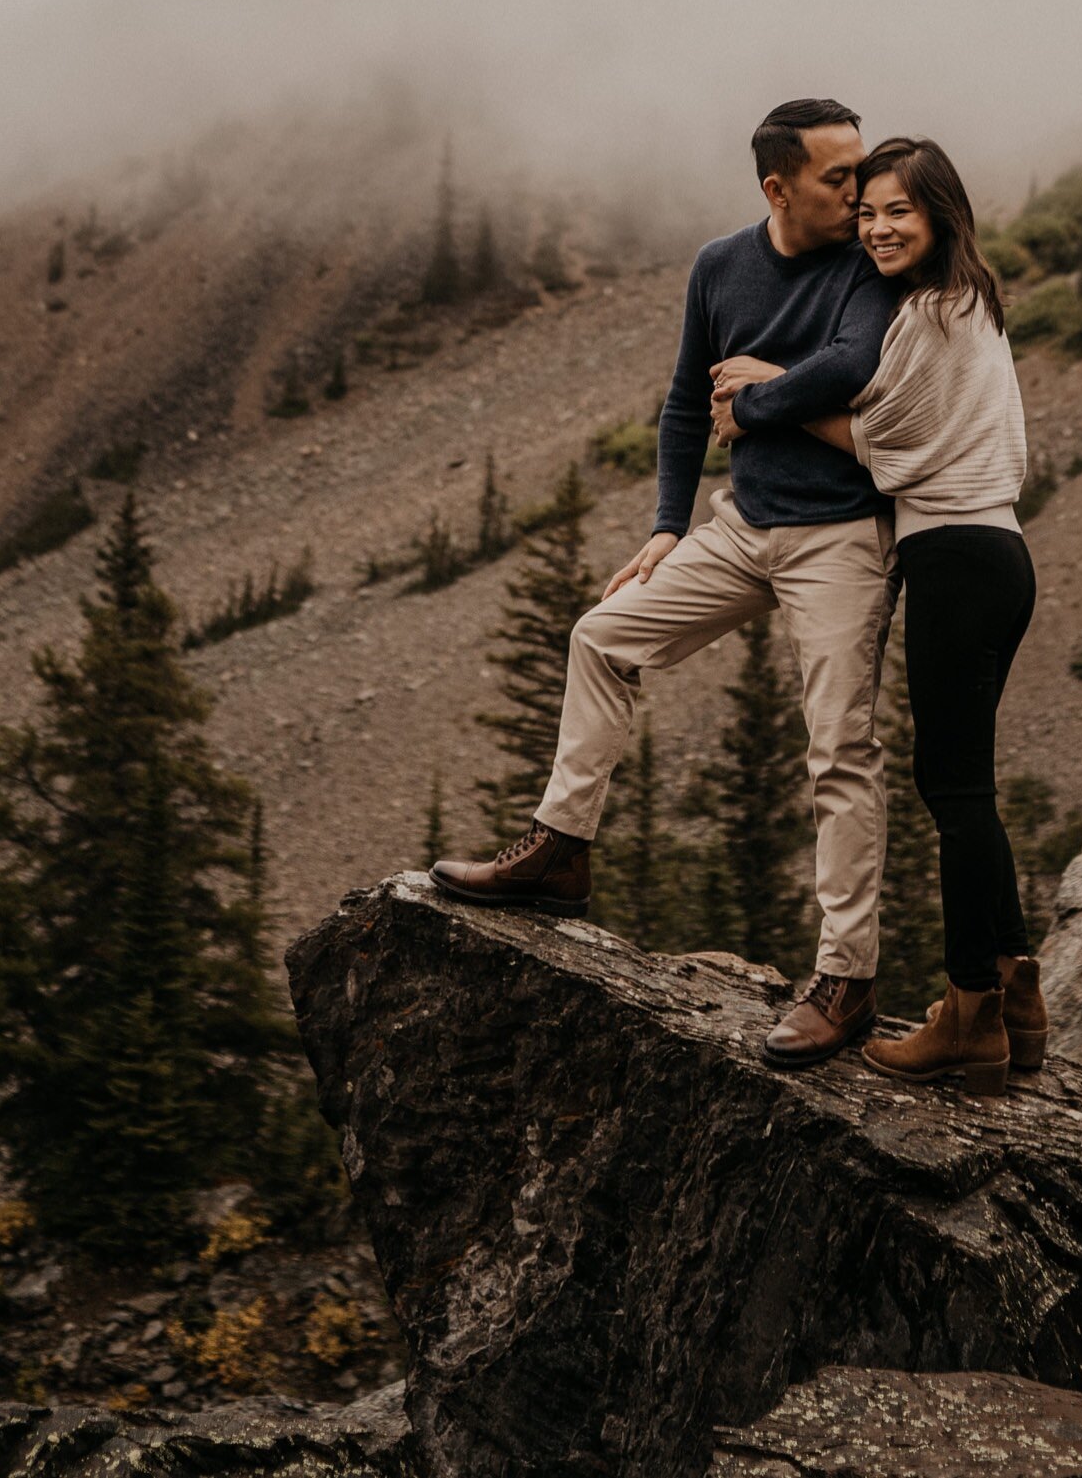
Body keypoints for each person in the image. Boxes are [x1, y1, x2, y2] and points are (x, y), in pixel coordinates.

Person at [432, 96, 901, 1070]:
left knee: (839, 749)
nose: (861, 191)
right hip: (744, 526)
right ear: (777, 187)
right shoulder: (719, 264)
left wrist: (761, 390)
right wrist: (664, 526)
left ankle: (845, 979)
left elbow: (852, 364)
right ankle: (561, 850)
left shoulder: (866, 264)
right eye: (838, 176)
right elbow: (688, 401)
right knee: (601, 635)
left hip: (842, 538)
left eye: (860, 170)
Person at [714, 135, 1042, 1095]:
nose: (878, 226)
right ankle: (1019, 1000)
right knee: (965, 786)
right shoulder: (963, 305)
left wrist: (758, 398)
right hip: (992, 556)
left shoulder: (938, 312)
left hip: (955, 556)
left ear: (941, 213)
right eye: (867, 212)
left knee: (954, 792)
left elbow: (880, 436)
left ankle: (967, 1014)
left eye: (899, 209)